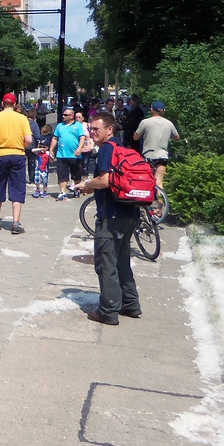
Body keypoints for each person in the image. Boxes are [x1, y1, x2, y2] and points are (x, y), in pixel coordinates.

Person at [78, 112, 142, 325]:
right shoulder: (123, 147)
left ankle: (108, 311)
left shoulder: (107, 148)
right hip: (129, 213)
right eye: (91, 129)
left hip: (111, 216)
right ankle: (131, 305)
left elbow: (105, 180)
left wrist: (87, 183)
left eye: (97, 129)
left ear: (109, 130)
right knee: (122, 260)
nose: (92, 132)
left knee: (106, 263)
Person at [0, 92, 32, 234]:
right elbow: (29, 140)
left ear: (2, 103)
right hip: (18, 154)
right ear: (15, 104)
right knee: (17, 187)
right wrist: (20, 146)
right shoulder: (22, 118)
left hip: (0, 154)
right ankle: (16, 223)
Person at [133, 101, 180, 188]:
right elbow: (177, 137)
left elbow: (135, 137)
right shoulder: (169, 123)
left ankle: (147, 200)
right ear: (164, 110)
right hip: (162, 156)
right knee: (159, 181)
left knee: (147, 180)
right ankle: (161, 200)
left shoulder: (145, 122)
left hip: (148, 155)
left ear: (152, 110)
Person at [50, 107, 87, 201]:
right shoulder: (60, 126)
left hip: (74, 155)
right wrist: (51, 150)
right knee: (62, 174)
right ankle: (62, 192)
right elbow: (55, 138)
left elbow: (82, 138)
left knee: (76, 174)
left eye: (66, 115)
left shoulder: (78, 126)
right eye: (63, 114)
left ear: (71, 116)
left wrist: (79, 149)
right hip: (61, 154)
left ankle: (77, 189)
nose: (63, 116)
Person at [31, 124, 53, 197]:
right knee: (37, 179)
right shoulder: (38, 152)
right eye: (42, 146)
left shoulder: (47, 153)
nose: (43, 148)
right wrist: (40, 149)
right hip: (38, 168)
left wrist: (51, 156)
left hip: (45, 169)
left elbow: (51, 161)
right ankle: (37, 190)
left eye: (45, 147)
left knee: (45, 180)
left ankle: (44, 191)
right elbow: (32, 150)